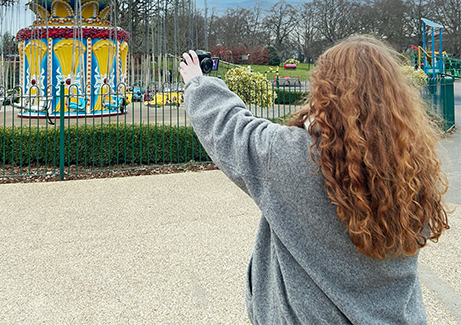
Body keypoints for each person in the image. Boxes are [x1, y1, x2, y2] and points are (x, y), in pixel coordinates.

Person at [179, 35, 449, 325]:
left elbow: (231, 129)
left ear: (324, 92)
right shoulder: (411, 166)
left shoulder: (291, 156)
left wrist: (198, 82)